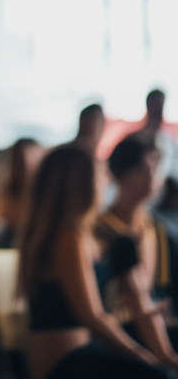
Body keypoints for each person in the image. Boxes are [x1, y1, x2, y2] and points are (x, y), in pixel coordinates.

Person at [18, 145, 172, 379]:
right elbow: (93, 317)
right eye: (100, 174)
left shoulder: (95, 234)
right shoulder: (69, 237)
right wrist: (145, 357)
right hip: (65, 362)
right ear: (81, 185)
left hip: (86, 353)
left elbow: (139, 298)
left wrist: (166, 355)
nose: (107, 180)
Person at [96, 136, 178, 351]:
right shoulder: (101, 231)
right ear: (120, 173)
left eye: (155, 167)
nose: (152, 175)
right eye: (143, 167)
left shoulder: (160, 231)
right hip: (119, 333)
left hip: (154, 325)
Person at [0, 137, 45, 248]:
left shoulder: (48, 200)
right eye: (21, 163)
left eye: (33, 163)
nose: (27, 169)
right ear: (12, 163)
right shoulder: (2, 196)